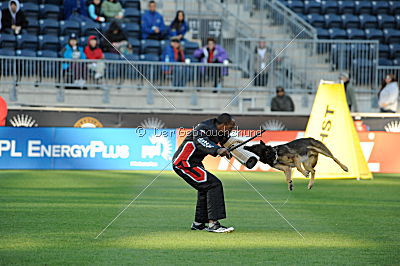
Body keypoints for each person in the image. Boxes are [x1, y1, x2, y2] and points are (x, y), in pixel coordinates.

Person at [172, 113, 236, 233]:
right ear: (223, 125)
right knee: (214, 184)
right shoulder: (203, 127)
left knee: (205, 188)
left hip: (193, 164)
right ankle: (213, 224)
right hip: (184, 163)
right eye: (231, 127)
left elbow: (230, 143)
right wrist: (217, 149)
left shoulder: (220, 132)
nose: (231, 130)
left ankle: (199, 223)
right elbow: (200, 141)